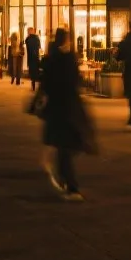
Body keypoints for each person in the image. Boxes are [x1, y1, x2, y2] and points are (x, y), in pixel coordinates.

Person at [38, 28, 95, 202]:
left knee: (67, 145)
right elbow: (74, 81)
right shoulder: (67, 59)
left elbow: (46, 84)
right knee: (69, 145)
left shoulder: (52, 59)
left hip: (59, 107)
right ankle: (70, 185)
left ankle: (64, 177)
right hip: (67, 107)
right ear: (66, 40)